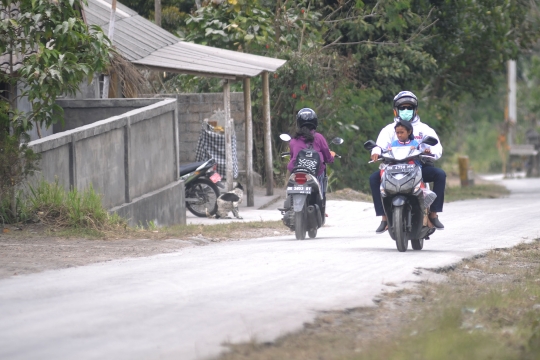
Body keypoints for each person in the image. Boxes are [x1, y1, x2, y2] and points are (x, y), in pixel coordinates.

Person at [370, 91, 446, 233]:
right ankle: (384, 217)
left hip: (418, 167)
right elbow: (379, 146)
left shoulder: (424, 129)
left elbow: (436, 147)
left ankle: (433, 214)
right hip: (393, 168)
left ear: (415, 110)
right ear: (395, 111)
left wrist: (430, 152)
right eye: (402, 108)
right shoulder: (389, 130)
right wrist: (375, 151)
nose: (406, 111)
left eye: (409, 108)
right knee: (374, 178)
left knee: (440, 174)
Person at [287, 108, 335, 197]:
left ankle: (290, 198)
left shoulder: (293, 141)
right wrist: (332, 156)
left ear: (298, 123)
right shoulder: (319, 138)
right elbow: (327, 157)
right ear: (315, 122)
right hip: (316, 173)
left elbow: (292, 157)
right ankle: (321, 203)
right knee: (321, 175)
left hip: (297, 172)